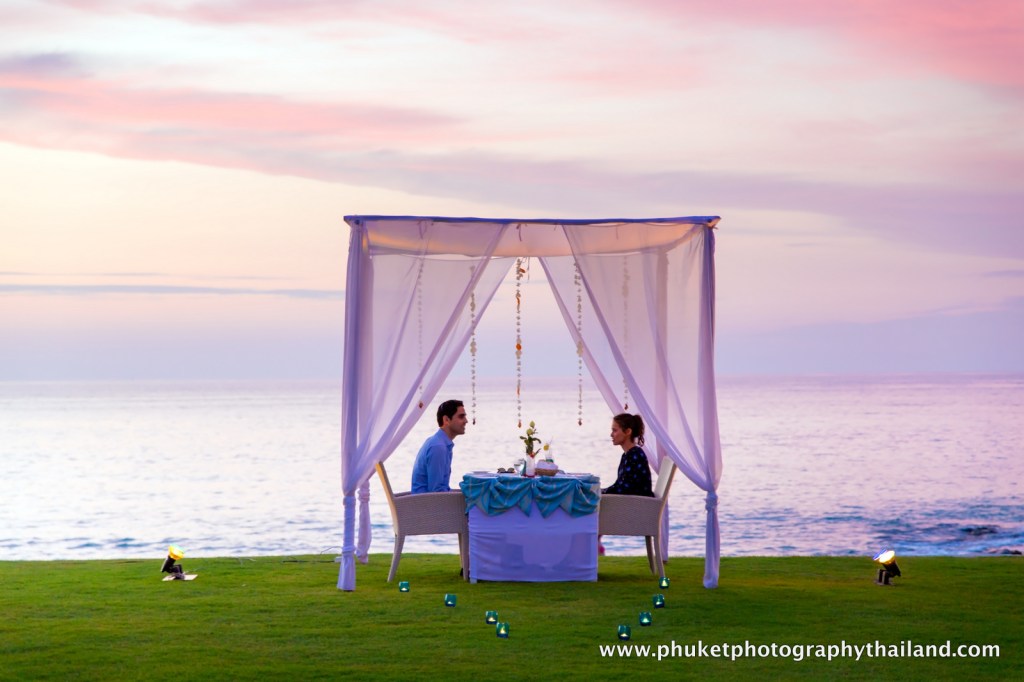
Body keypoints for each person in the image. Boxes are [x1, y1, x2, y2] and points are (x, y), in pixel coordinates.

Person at [411, 399, 468, 493]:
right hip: (427, 506)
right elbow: (436, 492)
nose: (466, 421)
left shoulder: (440, 443)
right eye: (461, 417)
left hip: (431, 503)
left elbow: (440, 489)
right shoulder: (438, 447)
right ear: (446, 420)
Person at [602, 412, 654, 497]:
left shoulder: (635, 455)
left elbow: (624, 489)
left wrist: (599, 492)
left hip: (636, 506)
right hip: (631, 502)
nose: (611, 434)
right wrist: (599, 491)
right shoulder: (627, 455)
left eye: (615, 430)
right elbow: (619, 486)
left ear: (628, 432)